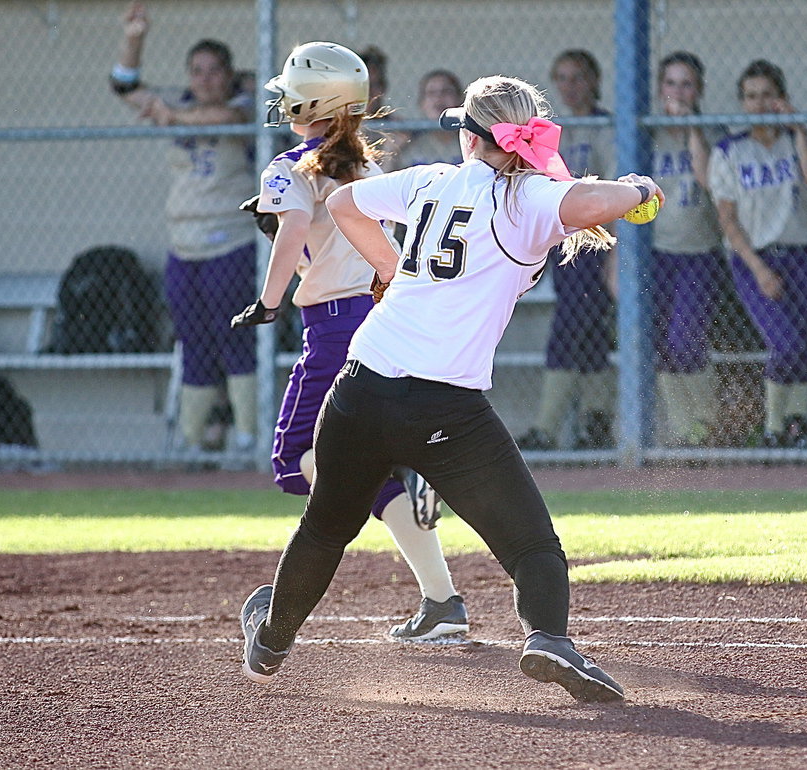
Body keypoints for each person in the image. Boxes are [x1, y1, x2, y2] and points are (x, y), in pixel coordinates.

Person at [238, 74, 663, 702]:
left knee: (326, 525)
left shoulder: (432, 179)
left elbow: (342, 206)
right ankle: (547, 637)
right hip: (447, 406)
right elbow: (598, 205)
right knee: (530, 542)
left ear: (471, 137)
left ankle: (271, 640)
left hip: (362, 385)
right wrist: (638, 189)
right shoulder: (529, 199)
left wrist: (388, 267)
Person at [230, 42, 468, 643]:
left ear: (316, 100)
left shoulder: (290, 164)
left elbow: (293, 236)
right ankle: (442, 603)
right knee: (356, 467)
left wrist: (269, 300)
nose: (283, 99)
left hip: (333, 328)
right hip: (382, 321)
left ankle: (399, 479)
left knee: (295, 459)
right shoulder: (370, 166)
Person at [108, 1, 259, 455]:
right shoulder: (178, 104)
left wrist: (171, 116)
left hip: (230, 240)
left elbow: (228, 120)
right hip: (183, 243)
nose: (205, 79)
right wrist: (134, 37)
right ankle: (193, 443)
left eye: (215, 71)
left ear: (230, 74)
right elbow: (123, 85)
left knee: (234, 335)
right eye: (197, 71)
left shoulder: (244, 103)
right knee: (192, 339)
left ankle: (248, 437)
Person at [709, 59, 807, 448]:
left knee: (801, 342)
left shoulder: (801, 141)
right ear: (742, 102)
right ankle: (775, 426)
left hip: (800, 255)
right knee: (784, 343)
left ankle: (797, 424)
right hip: (754, 259)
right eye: (751, 96)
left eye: (767, 94)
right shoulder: (729, 150)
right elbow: (728, 220)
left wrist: (797, 130)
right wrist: (758, 268)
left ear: (781, 98)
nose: (759, 103)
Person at [516, 50, 616, 451]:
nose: (570, 86)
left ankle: (546, 427)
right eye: (562, 78)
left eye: (578, 77)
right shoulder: (549, 131)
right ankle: (597, 422)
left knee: (570, 330)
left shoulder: (607, 127)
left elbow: (615, 193)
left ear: (594, 80)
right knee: (587, 332)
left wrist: (614, 254)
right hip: (561, 243)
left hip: (597, 243)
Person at [648, 51, 726, 447]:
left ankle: (706, 423)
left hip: (700, 252)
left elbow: (707, 178)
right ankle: (685, 433)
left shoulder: (711, 131)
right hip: (657, 253)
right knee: (661, 343)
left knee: (686, 338)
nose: (678, 91)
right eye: (671, 83)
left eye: (686, 84)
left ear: (699, 90)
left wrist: (691, 124)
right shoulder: (647, 132)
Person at [397, 70, 465, 168]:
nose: (438, 98)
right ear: (421, 103)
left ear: (460, 99)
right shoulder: (409, 143)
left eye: (446, 91)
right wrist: (391, 151)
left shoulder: (469, 139)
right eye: (431, 93)